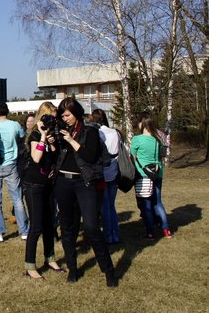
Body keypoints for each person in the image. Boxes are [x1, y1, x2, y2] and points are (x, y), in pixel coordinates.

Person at [53, 97, 117, 287]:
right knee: (67, 227)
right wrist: (51, 140)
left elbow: (90, 156)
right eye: (62, 115)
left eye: (68, 115)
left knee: (90, 227)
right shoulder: (60, 131)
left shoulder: (90, 131)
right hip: (63, 182)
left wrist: (71, 140)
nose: (65, 119)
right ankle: (72, 268)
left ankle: (108, 270)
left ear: (77, 113)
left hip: (84, 183)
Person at [23, 102, 64, 279]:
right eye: (51, 118)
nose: (53, 121)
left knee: (49, 225)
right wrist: (43, 136)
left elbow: (54, 156)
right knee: (36, 226)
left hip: (48, 184)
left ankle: (50, 258)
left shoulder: (52, 135)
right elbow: (36, 157)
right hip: (33, 185)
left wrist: (53, 143)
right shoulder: (35, 134)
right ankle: (30, 266)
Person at [0, 102, 29, 242]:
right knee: (17, 199)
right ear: (8, 111)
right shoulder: (14, 125)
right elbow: (22, 136)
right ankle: (24, 230)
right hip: (11, 165)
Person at [131, 111, 172, 240]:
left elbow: (132, 157)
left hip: (143, 175)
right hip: (157, 173)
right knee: (158, 202)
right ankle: (166, 230)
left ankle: (150, 232)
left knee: (146, 204)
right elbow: (162, 154)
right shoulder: (158, 139)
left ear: (142, 123)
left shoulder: (137, 139)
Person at [89, 108, 121, 244]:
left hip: (102, 172)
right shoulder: (115, 132)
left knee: (104, 206)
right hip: (114, 170)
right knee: (111, 205)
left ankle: (108, 235)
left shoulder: (98, 133)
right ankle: (115, 234)